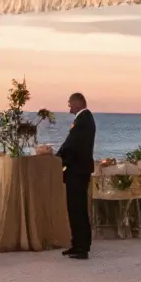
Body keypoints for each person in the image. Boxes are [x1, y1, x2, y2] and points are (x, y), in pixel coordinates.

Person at [58, 92, 96, 259]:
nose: (69, 107)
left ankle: (82, 247)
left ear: (78, 103)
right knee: (75, 209)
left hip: (78, 171)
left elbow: (72, 145)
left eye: (70, 103)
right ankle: (77, 244)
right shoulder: (84, 119)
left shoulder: (84, 120)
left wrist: (58, 158)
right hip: (78, 170)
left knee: (78, 209)